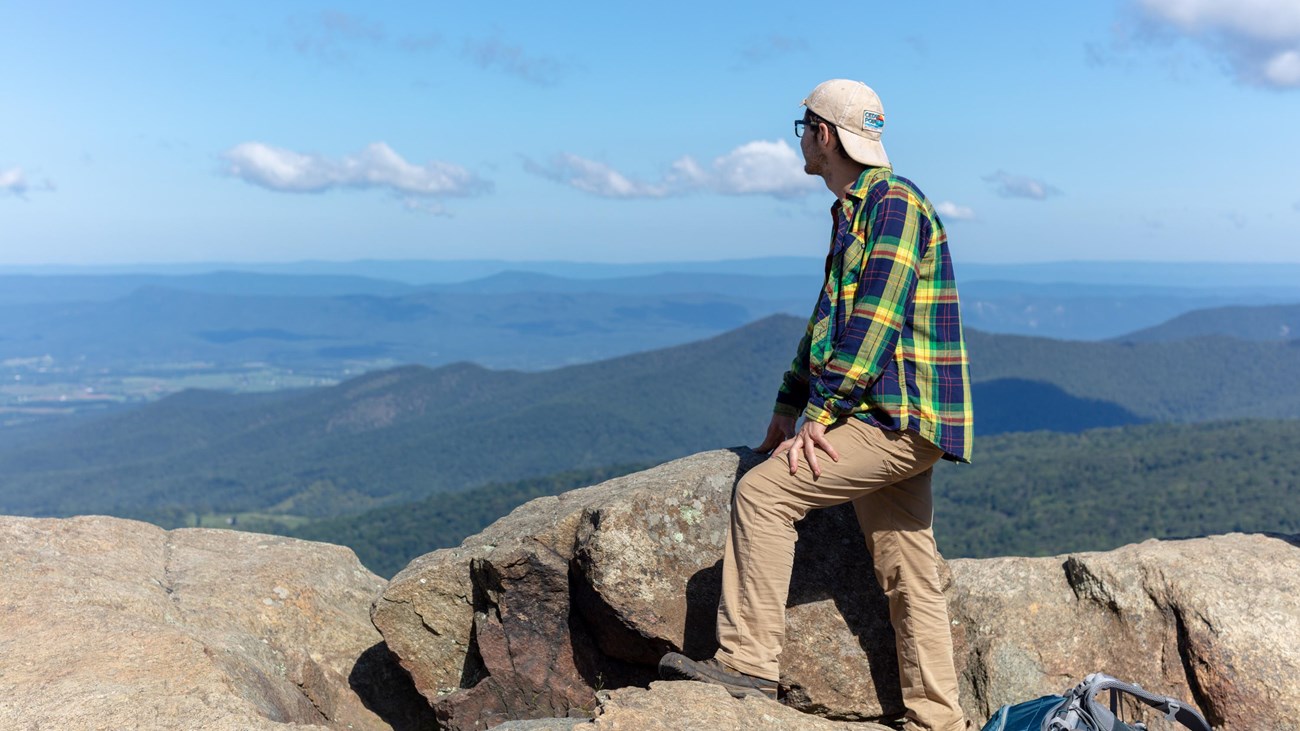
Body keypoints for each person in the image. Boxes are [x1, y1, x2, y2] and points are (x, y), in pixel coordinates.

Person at [659, 79, 974, 731]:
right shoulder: (859, 208)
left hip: (891, 414)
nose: (800, 139)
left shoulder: (891, 206)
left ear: (823, 134)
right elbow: (828, 319)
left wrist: (820, 417)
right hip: (904, 416)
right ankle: (938, 719)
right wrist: (789, 398)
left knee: (765, 493)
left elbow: (875, 323)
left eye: (802, 127)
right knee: (905, 558)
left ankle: (747, 666)